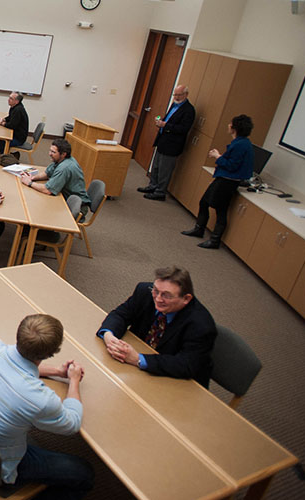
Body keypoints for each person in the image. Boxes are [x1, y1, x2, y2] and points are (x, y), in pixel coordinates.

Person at [0, 314, 93, 499]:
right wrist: (74, 381)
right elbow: (72, 423)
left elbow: (19, 367)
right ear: (51, 353)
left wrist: (57, 372)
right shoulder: (39, 399)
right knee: (84, 473)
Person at [96, 266, 216, 387]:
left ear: (186, 298)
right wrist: (109, 336)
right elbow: (120, 315)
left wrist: (137, 359)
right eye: (156, 290)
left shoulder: (202, 325)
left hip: (177, 382)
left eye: (166, 295)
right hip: (136, 371)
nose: (158, 299)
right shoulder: (144, 291)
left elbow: (185, 365)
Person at [182, 114, 255, 249]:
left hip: (227, 182)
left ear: (235, 128)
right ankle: (199, 229)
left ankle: (214, 240)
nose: (228, 125)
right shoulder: (241, 142)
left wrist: (217, 156)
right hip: (224, 179)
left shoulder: (240, 145)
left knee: (220, 210)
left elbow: (232, 166)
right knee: (204, 202)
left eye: (230, 123)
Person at [138, 85, 195, 201]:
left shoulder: (189, 110)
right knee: (156, 166)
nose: (176, 97)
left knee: (165, 169)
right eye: (175, 95)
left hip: (173, 144)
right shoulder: (174, 105)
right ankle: (152, 185)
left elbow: (183, 129)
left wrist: (165, 125)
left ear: (186, 95)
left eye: (179, 95)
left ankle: (160, 192)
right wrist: (160, 122)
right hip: (163, 140)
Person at [18, 139, 90, 217]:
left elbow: (48, 190)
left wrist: (29, 183)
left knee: (40, 210)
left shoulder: (64, 168)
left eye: (53, 152)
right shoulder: (61, 160)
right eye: (50, 151)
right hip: (67, 197)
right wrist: (33, 177)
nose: (49, 154)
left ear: (63, 154)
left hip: (76, 206)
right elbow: (47, 173)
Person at [0, 92, 30, 157]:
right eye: (9, 97)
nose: (8, 99)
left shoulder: (18, 110)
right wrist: (3, 119)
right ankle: (12, 154)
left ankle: (8, 156)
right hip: (14, 135)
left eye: (11, 98)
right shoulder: (14, 107)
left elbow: (11, 125)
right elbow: (10, 117)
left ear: (16, 101)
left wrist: (1, 123)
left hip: (18, 138)